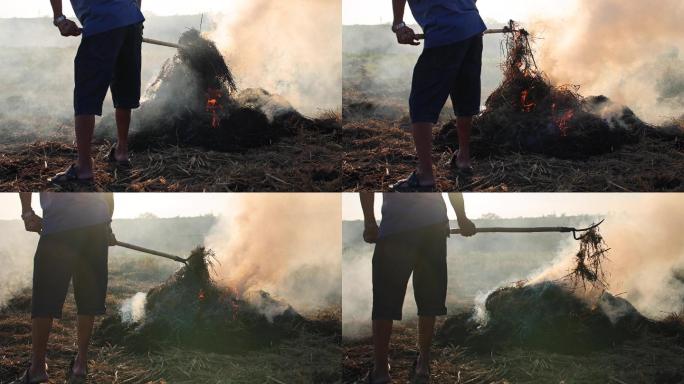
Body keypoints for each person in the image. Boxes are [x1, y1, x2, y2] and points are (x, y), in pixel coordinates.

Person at [360, 192, 476, 384]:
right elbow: (450, 184)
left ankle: (381, 372)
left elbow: (366, 183)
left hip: (397, 228)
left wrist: (370, 223)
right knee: (428, 299)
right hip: (433, 227)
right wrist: (462, 218)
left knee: (385, 300)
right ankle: (422, 366)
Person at [17, 193, 116, 384]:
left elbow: (30, 173)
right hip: (96, 225)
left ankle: (37, 368)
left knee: (45, 296)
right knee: (88, 296)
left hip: (60, 223)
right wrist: (106, 226)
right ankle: (80, 366)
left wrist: (27, 211)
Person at [389, 0, 487, 192]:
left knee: (421, 103)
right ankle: (464, 159)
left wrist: (399, 24)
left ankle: (425, 176)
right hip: (472, 28)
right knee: (465, 93)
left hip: (444, 31)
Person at [48, 0, 145, 184]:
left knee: (86, 94)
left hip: (102, 22)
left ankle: (84, 168)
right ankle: (122, 152)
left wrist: (60, 20)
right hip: (131, 20)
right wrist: (129, 16)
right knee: (125, 87)